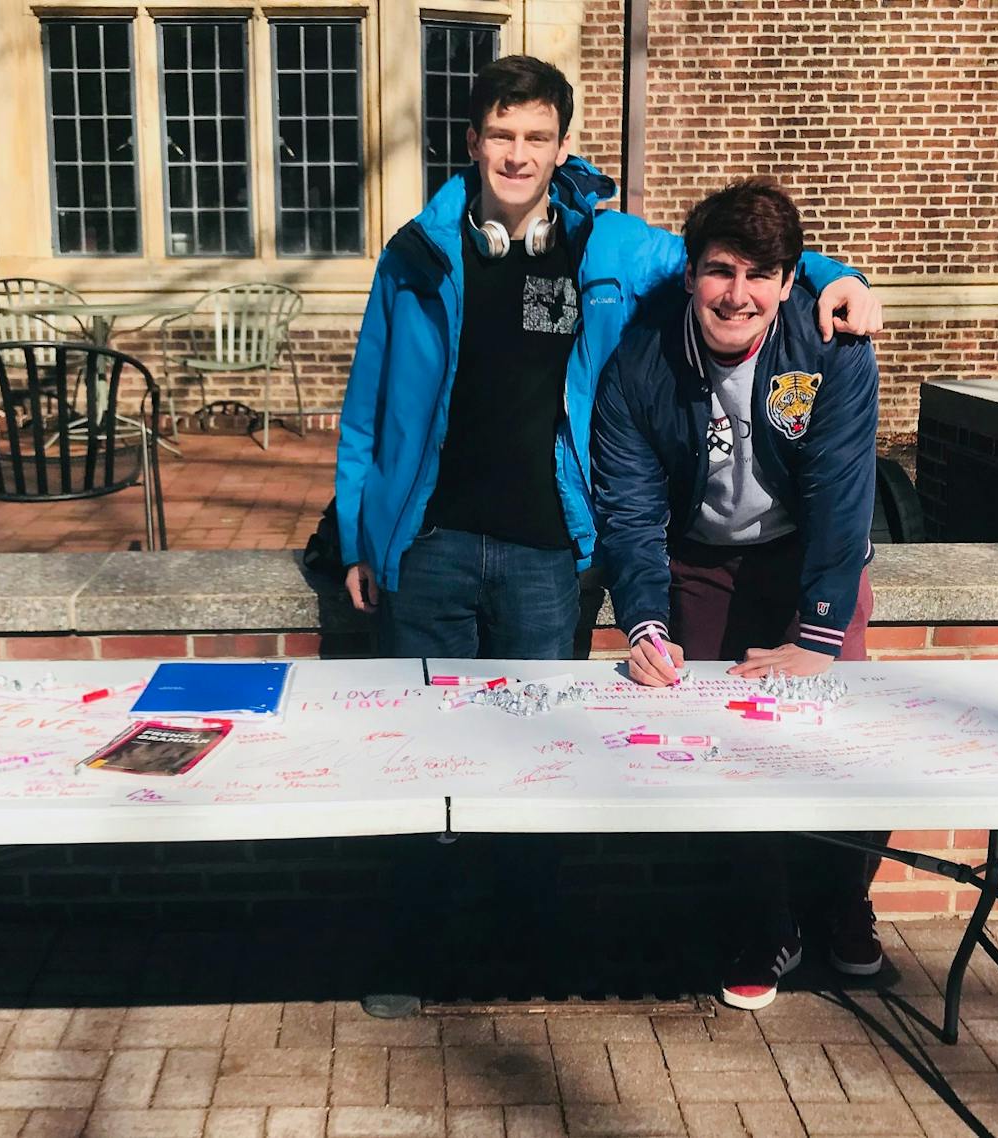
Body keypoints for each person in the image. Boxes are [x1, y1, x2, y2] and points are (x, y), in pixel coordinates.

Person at [335, 55, 881, 660]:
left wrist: (840, 276)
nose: (518, 156)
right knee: (421, 733)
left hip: (543, 553)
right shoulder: (414, 258)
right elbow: (365, 412)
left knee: (541, 743)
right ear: (473, 141)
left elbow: (731, 258)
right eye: (501, 135)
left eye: (537, 137)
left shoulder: (611, 247)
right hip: (424, 546)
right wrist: (358, 538)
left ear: (562, 147)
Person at [590, 177, 883, 1011]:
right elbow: (630, 506)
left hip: (811, 559)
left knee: (839, 729)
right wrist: (644, 622)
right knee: (724, 744)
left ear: (790, 282)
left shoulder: (831, 347)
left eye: (761, 275)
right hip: (705, 560)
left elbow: (841, 491)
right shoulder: (641, 361)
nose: (738, 294)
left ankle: (846, 904)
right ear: (691, 275)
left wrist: (820, 632)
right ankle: (765, 920)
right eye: (721, 272)